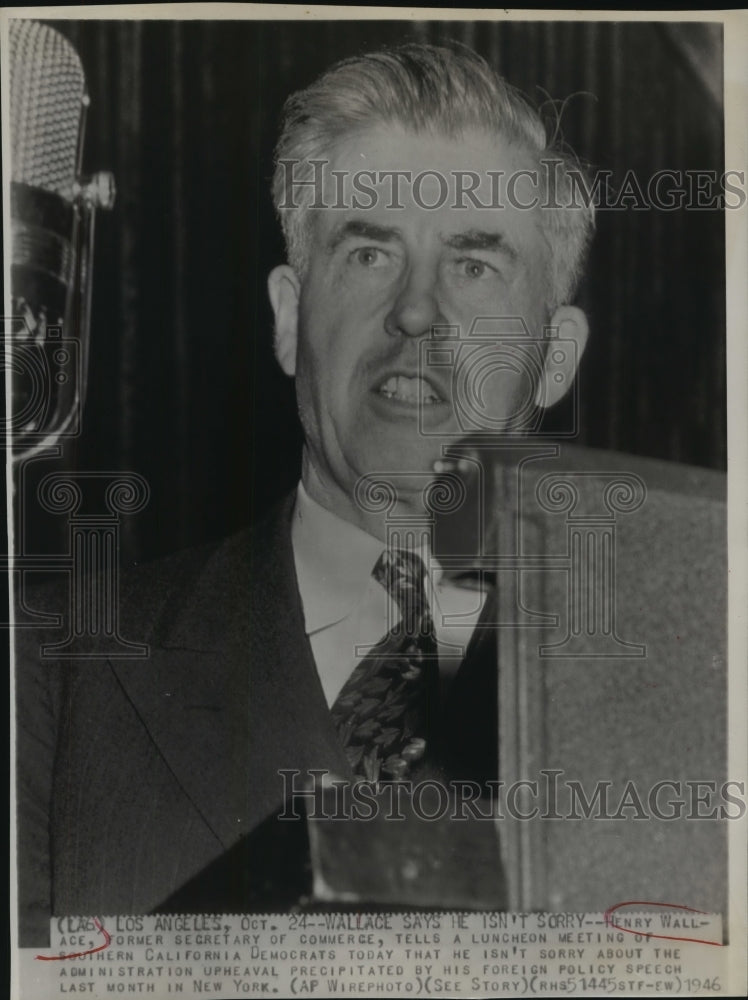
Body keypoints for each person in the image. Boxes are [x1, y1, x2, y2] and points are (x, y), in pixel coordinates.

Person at [15, 42, 593, 944]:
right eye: (369, 254)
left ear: (555, 358)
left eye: (475, 266)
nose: (417, 312)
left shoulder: (682, 703)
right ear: (289, 316)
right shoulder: (51, 678)